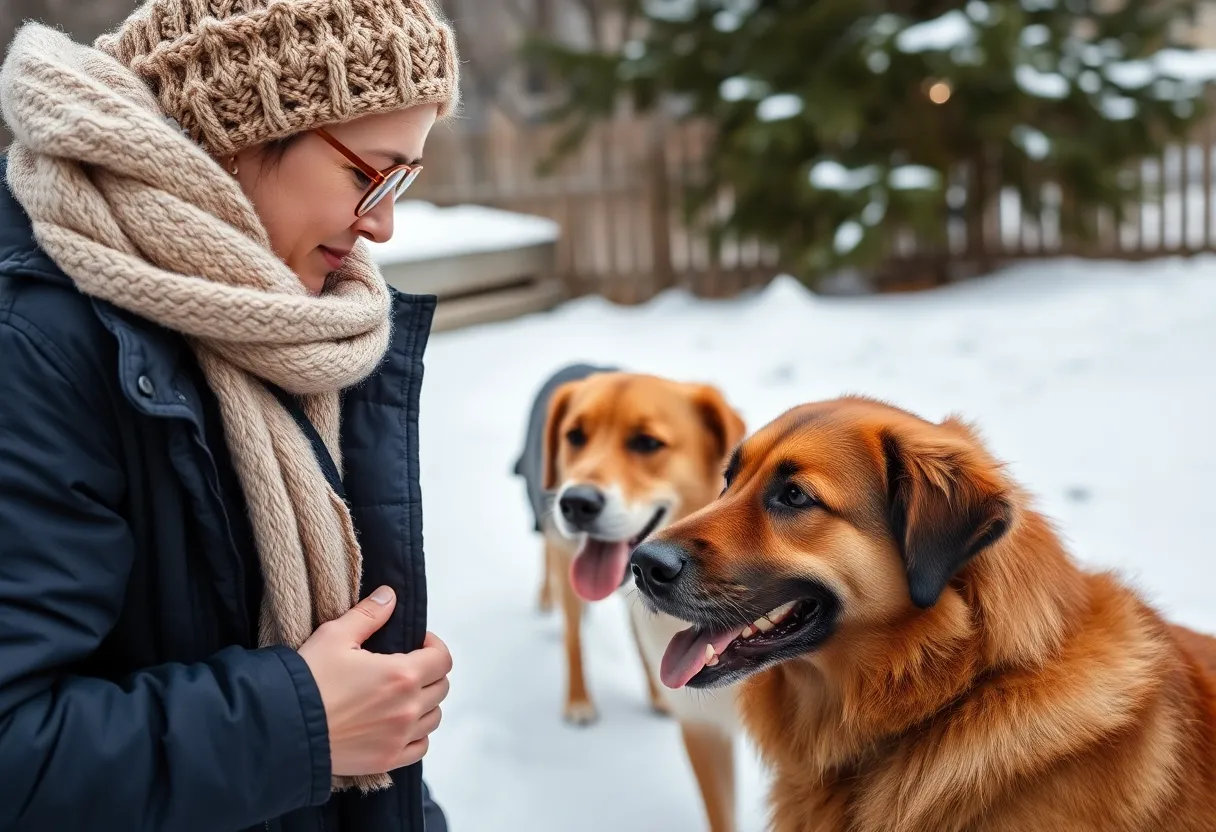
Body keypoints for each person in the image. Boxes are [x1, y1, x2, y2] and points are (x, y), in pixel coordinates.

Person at [0, 1, 460, 830]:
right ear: (239, 131)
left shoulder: (286, 316)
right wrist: (300, 725)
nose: (385, 224)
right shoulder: (33, 344)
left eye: (406, 179)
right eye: (370, 174)